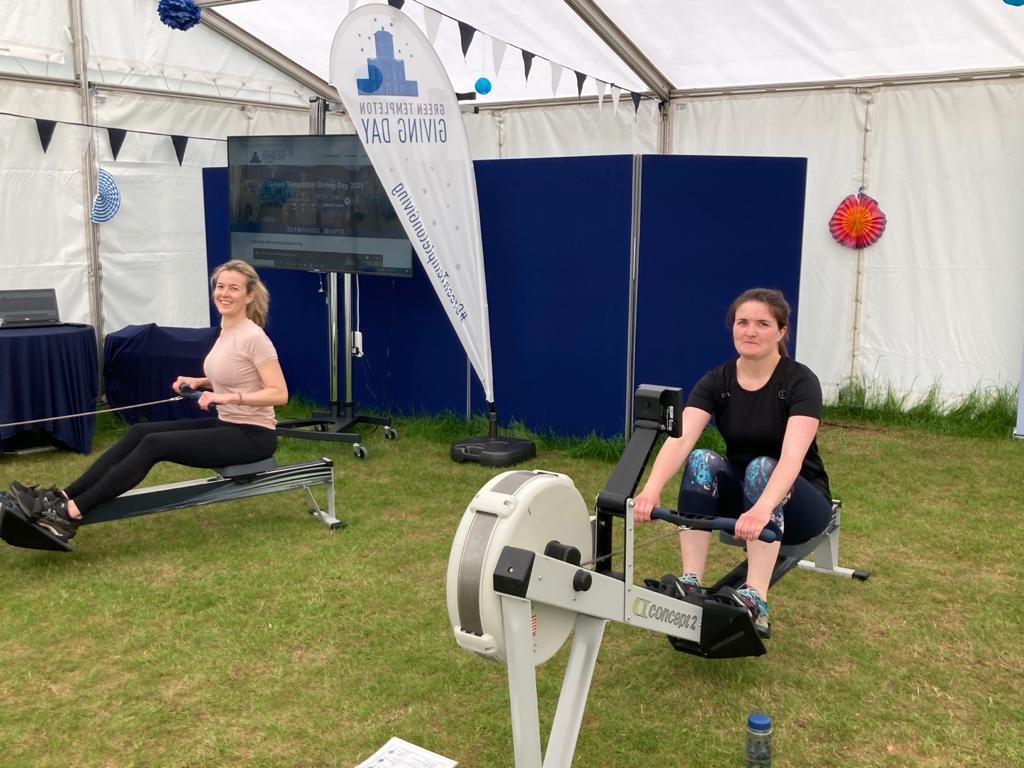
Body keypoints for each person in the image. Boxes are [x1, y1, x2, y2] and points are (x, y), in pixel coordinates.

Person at [10, 259, 288, 545]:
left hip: (254, 436)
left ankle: (69, 514)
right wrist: (199, 382)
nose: (224, 294)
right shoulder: (226, 330)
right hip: (228, 423)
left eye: (233, 288)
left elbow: (279, 393)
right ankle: (61, 497)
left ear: (249, 296)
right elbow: (238, 374)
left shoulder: (254, 337)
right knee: (140, 432)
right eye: (220, 286)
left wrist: (225, 396)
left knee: (156, 445)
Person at [632, 288, 832, 639]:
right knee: (701, 460)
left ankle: (756, 598)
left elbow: (791, 458)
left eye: (762, 324)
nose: (750, 331)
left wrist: (763, 508)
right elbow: (681, 439)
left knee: (761, 467)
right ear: (732, 328)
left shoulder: (800, 382)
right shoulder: (717, 380)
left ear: (781, 332)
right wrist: (651, 489)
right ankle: (690, 581)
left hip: (799, 505)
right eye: (742, 322)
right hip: (746, 502)